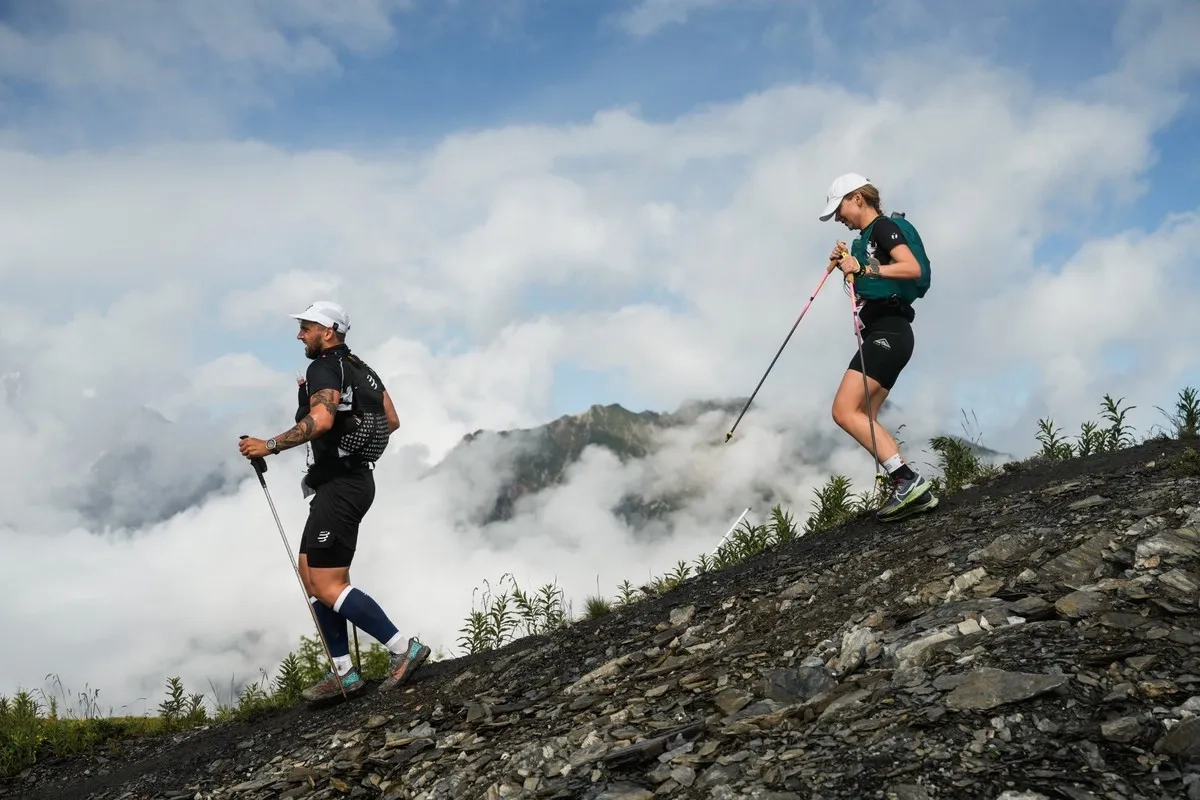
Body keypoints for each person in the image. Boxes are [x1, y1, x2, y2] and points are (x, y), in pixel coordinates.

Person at [238, 300, 431, 701]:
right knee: (311, 573)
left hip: (343, 486)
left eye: (306, 327)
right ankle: (343, 672)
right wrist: (355, 446)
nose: (299, 334)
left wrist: (269, 445)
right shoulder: (363, 369)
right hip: (350, 481)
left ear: (327, 331)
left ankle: (403, 649)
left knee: (329, 584)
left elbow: (322, 420)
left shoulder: (323, 367)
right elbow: (391, 420)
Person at [818, 173, 937, 522]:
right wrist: (849, 266)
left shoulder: (883, 228)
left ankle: (907, 480)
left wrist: (863, 265)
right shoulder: (866, 239)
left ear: (857, 198)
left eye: (838, 208)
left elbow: (912, 267)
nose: (838, 217)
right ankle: (909, 488)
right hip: (887, 334)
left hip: (890, 331)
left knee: (844, 411)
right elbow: (870, 275)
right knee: (863, 416)